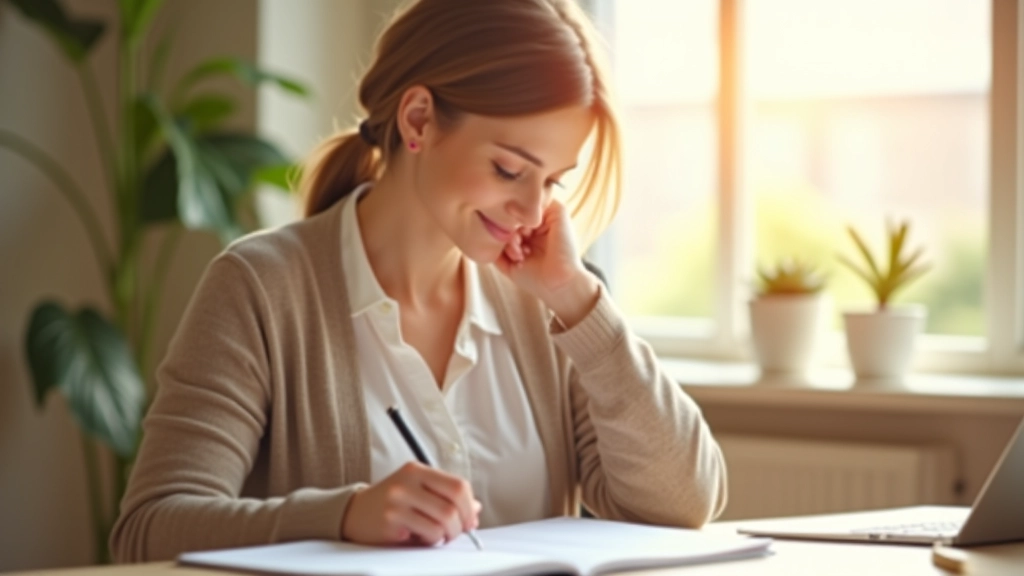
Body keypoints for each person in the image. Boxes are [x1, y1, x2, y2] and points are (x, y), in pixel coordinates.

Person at [110, 0, 727, 563]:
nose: (534, 212)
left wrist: (578, 301)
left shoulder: (551, 306)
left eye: (553, 181)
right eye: (510, 169)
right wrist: (343, 516)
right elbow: (149, 530)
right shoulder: (260, 289)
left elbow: (684, 502)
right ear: (419, 119)